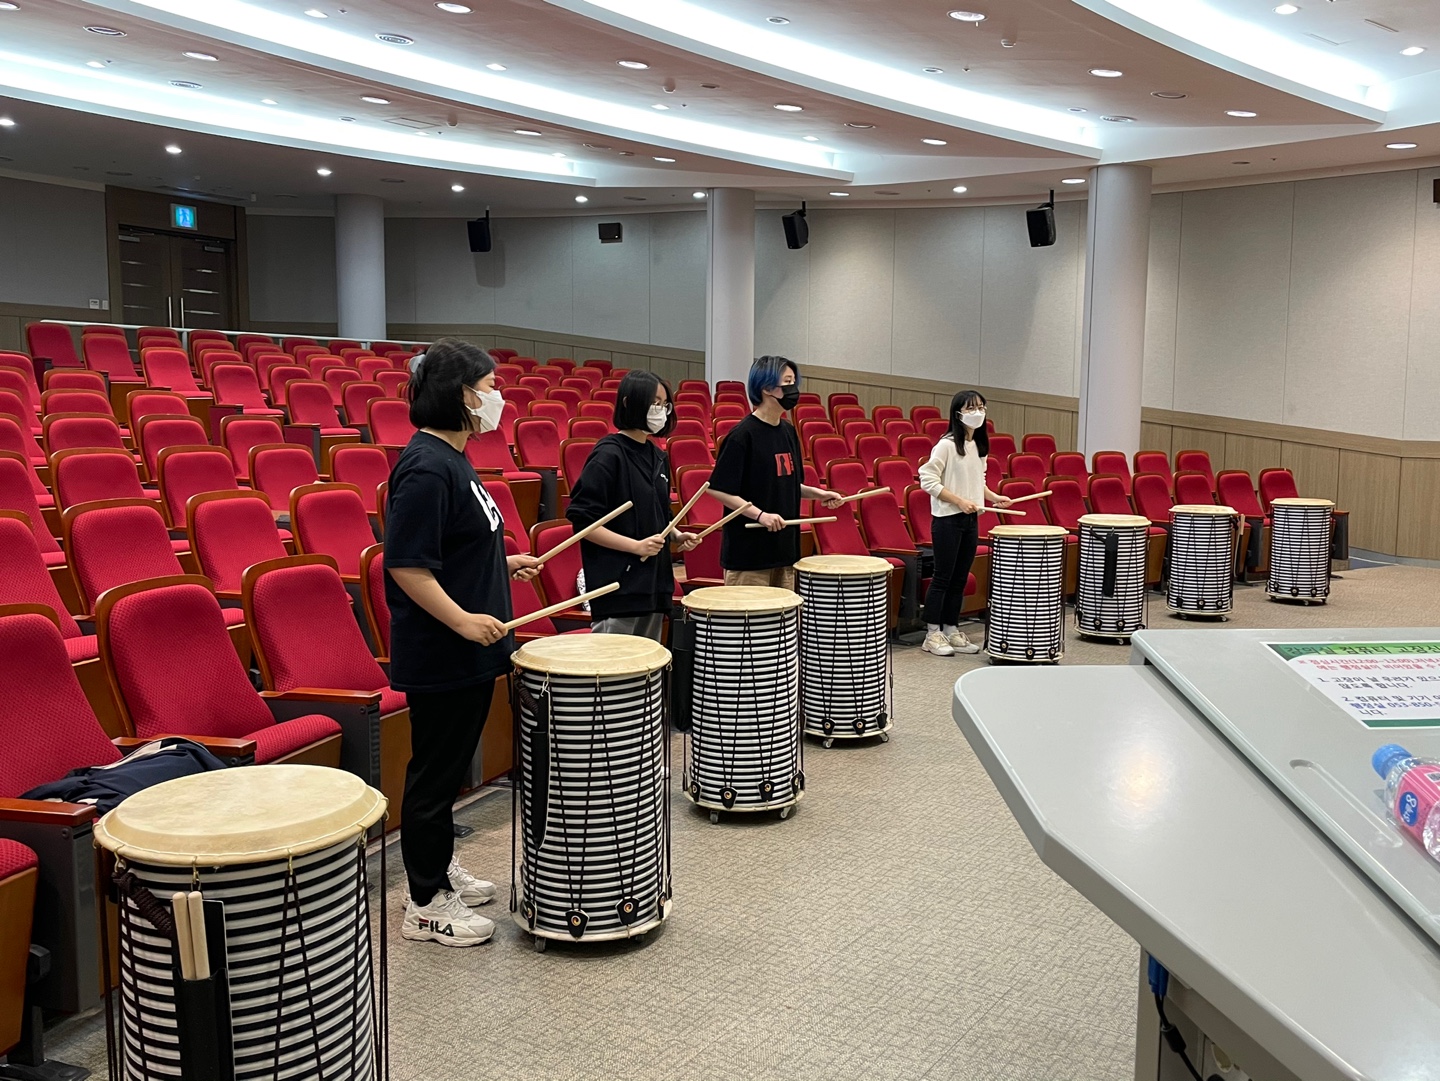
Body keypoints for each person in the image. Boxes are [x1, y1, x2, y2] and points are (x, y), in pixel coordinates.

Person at [384, 338, 541, 947]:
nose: (498, 398)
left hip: (469, 651)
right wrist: (464, 621)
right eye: (490, 387)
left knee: (447, 773)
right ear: (462, 395)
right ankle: (424, 904)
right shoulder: (426, 466)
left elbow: (456, 546)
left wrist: (504, 563)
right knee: (433, 775)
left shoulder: (453, 457)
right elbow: (407, 566)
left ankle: (438, 867)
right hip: (443, 653)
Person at [565, 370, 699, 639]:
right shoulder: (608, 454)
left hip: (653, 584)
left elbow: (659, 512)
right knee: (616, 662)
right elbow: (584, 523)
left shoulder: (658, 456)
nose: (660, 410)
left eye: (664, 404)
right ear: (629, 403)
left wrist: (675, 535)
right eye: (654, 403)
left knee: (649, 661)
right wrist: (635, 546)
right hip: (618, 586)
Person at [708, 356, 843, 591]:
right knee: (750, 615)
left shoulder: (788, 432)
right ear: (767, 388)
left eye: (794, 382)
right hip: (749, 556)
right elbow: (719, 489)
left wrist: (820, 494)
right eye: (787, 382)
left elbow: (789, 484)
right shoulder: (742, 435)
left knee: (783, 615)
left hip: (784, 552)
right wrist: (760, 515)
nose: (794, 389)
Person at [917, 389, 1010, 657]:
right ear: (958, 414)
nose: (977, 413)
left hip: (970, 519)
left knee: (960, 578)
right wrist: (958, 501)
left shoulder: (978, 447)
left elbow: (978, 482)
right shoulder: (946, 445)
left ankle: (951, 628)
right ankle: (932, 633)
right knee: (943, 577)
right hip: (947, 520)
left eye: (981, 407)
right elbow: (927, 480)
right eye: (971, 408)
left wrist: (994, 497)